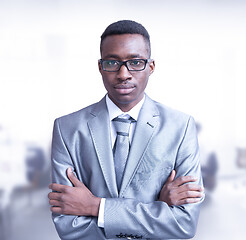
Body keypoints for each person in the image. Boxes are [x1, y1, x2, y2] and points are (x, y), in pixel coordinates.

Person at [48, 20, 204, 240]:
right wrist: (158, 209)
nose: (123, 74)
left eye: (136, 62)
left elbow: (184, 224)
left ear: (151, 66)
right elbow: (69, 227)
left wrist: (96, 207)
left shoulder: (181, 126)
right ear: (100, 66)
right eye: (112, 62)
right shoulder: (67, 128)